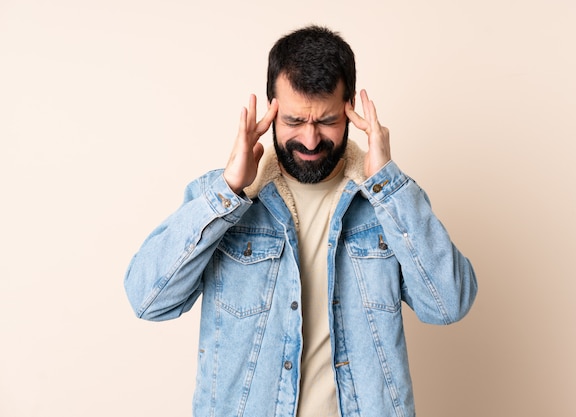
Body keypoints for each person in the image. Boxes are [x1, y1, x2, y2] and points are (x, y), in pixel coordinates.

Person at [125, 25, 477, 417]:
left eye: (326, 121)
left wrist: (388, 184)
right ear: (271, 111)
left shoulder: (387, 204)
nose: (310, 141)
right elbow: (147, 300)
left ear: (350, 113)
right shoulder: (226, 200)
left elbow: (448, 305)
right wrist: (228, 189)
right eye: (294, 122)